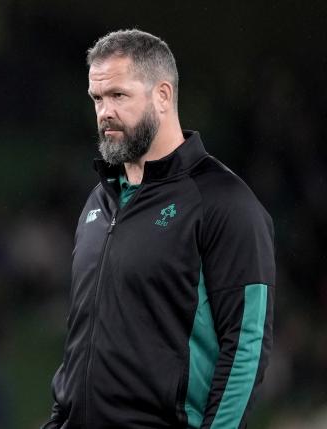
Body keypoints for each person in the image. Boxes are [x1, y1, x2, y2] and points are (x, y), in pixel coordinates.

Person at [42, 29, 275, 429]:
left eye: (119, 95)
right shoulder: (98, 202)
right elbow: (82, 338)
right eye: (97, 98)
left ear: (163, 96)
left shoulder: (225, 202)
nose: (104, 112)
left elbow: (246, 348)